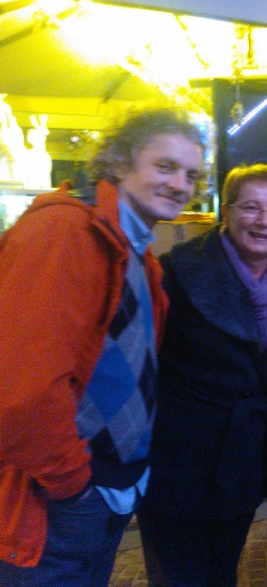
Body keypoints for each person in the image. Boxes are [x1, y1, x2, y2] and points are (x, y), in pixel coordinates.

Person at [0, 106, 204, 585]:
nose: (180, 184)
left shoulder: (138, 255)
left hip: (107, 488)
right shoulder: (63, 232)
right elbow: (23, 393)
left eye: (191, 174)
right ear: (119, 163)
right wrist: (74, 489)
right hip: (54, 500)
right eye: (165, 166)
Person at [136, 163, 267, 586]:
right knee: (176, 572)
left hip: (245, 452)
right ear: (227, 211)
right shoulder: (176, 271)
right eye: (250, 207)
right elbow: (140, 361)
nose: (263, 221)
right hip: (176, 453)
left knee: (224, 566)